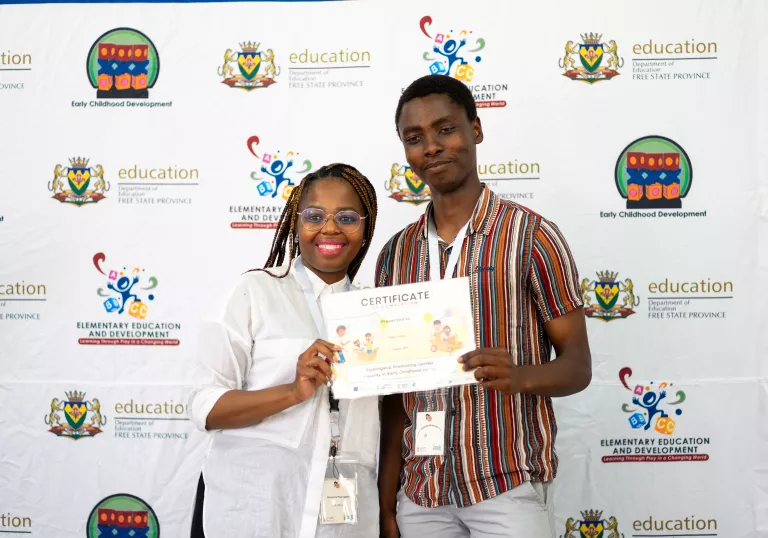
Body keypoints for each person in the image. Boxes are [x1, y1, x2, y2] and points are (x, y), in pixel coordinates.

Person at [376, 75, 592, 538]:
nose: (431, 147)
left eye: (445, 129)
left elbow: (578, 366)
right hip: (422, 494)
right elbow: (393, 400)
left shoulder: (532, 235)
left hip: (506, 486)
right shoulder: (395, 255)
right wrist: (386, 499)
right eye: (414, 139)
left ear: (475, 129)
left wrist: (521, 376)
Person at [187, 163, 380, 538]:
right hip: (256, 510)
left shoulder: (378, 315)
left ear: (364, 227)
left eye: (346, 217)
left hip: (344, 520)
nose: (330, 228)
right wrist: (292, 392)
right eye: (314, 216)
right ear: (295, 222)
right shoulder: (254, 292)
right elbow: (205, 407)